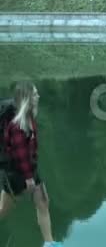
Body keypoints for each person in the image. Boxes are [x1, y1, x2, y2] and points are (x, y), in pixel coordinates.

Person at [0, 81, 62, 247]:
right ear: (27, 98)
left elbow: (29, 151)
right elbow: (20, 153)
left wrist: (31, 174)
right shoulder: (18, 124)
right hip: (17, 173)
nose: (38, 96)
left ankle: (49, 243)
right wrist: (28, 179)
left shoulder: (28, 116)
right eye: (35, 94)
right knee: (4, 210)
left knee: (43, 202)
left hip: (29, 169)